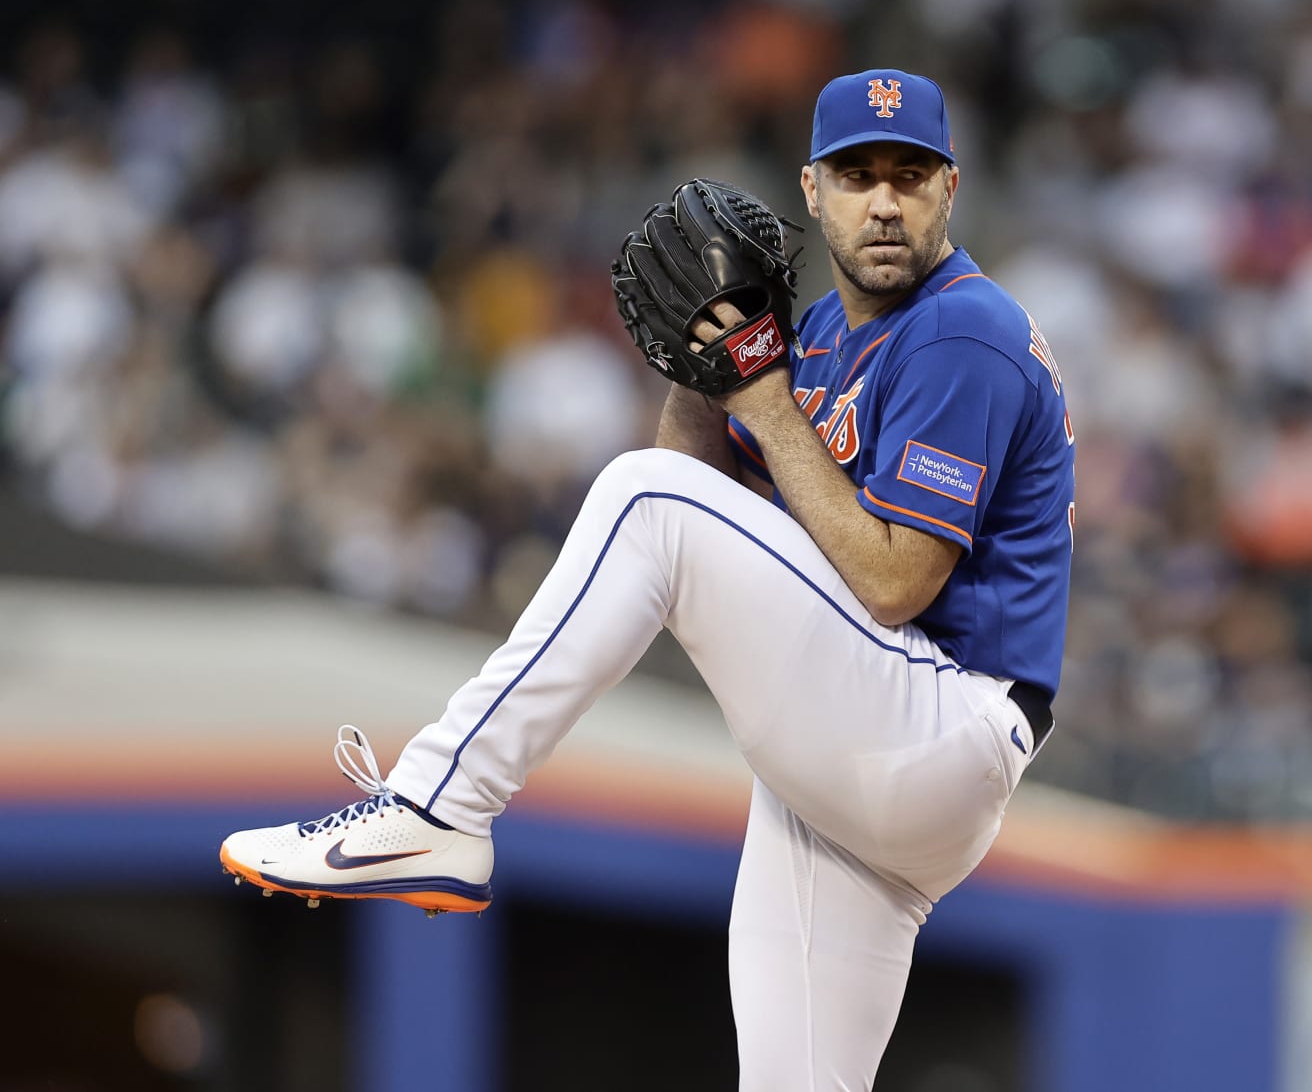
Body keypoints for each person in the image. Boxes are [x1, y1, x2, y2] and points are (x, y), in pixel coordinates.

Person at [220, 67, 1075, 1089]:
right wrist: (705, 366)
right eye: (857, 174)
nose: (884, 200)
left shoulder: (960, 327)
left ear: (950, 188)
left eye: (909, 173)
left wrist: (760, 395)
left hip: (940, 721)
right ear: (812, 190)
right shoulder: (836, 338)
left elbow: (890, 582)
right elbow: (697, 477)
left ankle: (439, 807)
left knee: (638, 498)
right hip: (868, 760)